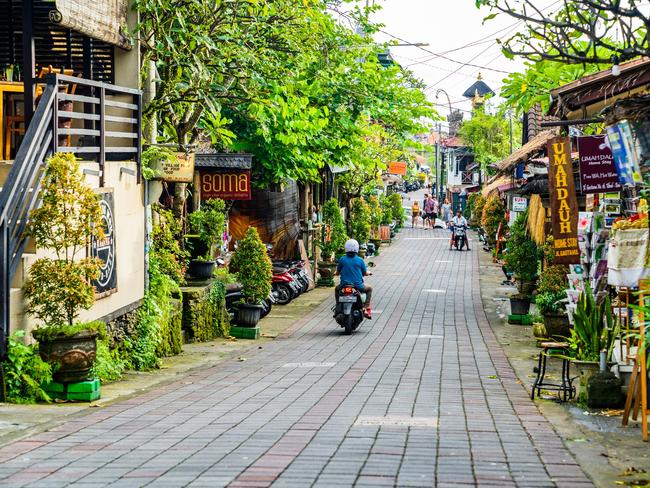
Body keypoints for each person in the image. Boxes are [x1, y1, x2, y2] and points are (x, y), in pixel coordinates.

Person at [335, 239, 373, 319]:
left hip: (344, 285)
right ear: (357, 248)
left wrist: (335, 273)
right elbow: (365, 273)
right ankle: (365, 308)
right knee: (369, 289)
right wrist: (368, 273)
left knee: (336, 289)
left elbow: (337, 272)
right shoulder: (360, 260)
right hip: (358, 286)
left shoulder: (342, 259)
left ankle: (337, 306)